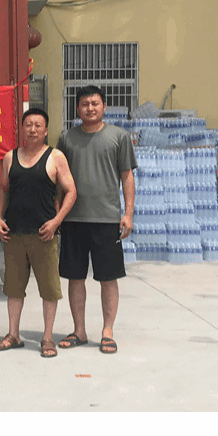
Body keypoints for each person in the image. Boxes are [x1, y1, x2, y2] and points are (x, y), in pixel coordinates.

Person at [56, 85, 137, 355]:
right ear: (77, 108)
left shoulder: (118, 137)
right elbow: (58, 179)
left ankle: (107, 331)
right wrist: (58, 215)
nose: (90, 108)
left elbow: (127, 176)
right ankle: (79, 330)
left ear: (103, 106)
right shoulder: (66, 138)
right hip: (73, 219)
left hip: (107, 219)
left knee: (108, 278)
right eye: (84, 104)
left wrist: (128, 213)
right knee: (75, 277)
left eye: (95, 103)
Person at [0, 108, 77, 358]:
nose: (33, 129)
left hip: (44, 235)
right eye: (28, 124)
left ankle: (47, 338)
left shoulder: (56, 157)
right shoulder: (10, 157)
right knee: (13, 288)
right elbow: (3, 189)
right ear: (22, 129)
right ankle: (13, 335)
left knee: (49, 290)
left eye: (38, 125)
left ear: (46, 130)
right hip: (14, 234)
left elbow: (71, 191)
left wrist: (56, 222)